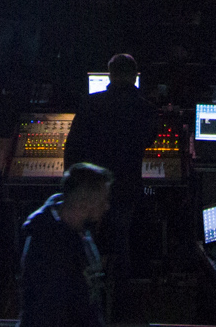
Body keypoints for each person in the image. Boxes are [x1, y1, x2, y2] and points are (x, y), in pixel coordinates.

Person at [63, 54, 158, 307]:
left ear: (110, 75)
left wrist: (71, 186)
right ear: (135, 76)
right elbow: (148, 140)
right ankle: (122, 303)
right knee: (121, 243)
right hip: (126, 188)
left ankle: (85, 300)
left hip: (90, 189)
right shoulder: (145, 108)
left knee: (87, 241)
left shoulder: (90, 104)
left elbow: (72, 148)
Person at [18, 162, 114, 327]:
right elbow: (47, 313)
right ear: (84, 202)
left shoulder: (79, 230)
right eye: (102, 200)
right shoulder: (48, 246)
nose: (107, 206)